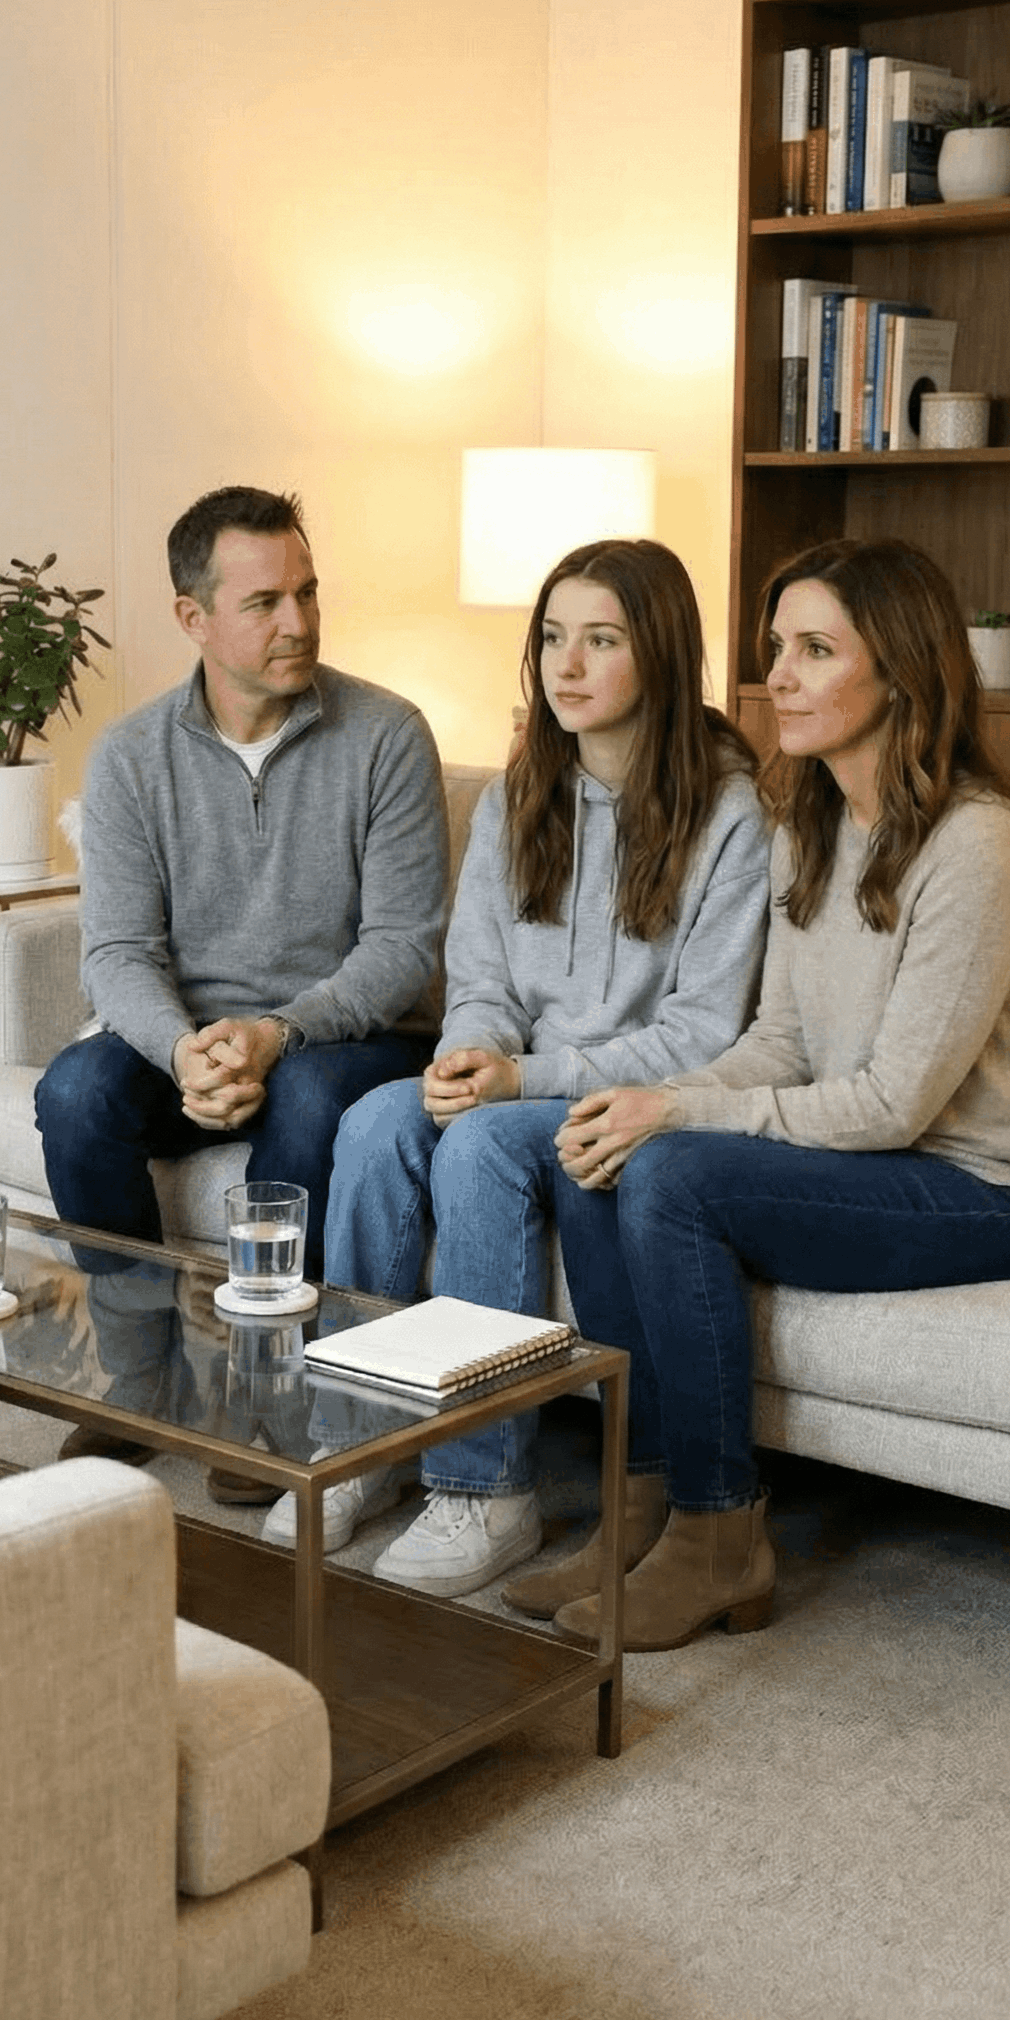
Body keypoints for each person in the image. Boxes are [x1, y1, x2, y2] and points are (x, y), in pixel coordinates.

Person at [543, 536, 1010, 1651]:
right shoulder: (813, 824)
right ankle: (641, 1496)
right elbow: (781, 1044)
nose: (775, 676)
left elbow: (892, 1105)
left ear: (899, 671)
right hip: (891, 1166)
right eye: (774, 648)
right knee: (607, 1152)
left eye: (813, 650)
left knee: (676, 1175)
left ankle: (718, 1533)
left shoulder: (976, 846)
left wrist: (678, 1115)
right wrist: (645, 1098)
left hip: (1002, 1195)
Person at [300, 539, 772, 1588]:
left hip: (621, 1095)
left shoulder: (730, 816)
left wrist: (519, 1081)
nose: (568, 664)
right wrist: (471, 1046)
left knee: (479, 1149)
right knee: (373, 1124)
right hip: (515, 1073)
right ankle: (360, 1440)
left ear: (657, 652)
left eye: (600, 640)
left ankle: (485, 1490)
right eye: (554, 637)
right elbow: (479, 975)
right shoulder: (523, 793)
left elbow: (703, 1030)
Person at [34, 484, 449, 1285]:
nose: (298, 622)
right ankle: (144, 1373)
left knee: (306, 1099)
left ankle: (273, 1375)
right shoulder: (129, 756)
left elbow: (402, 947)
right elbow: (118, 952)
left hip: (344, 1041)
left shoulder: (387, 735)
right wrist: (183, 1051)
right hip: (191, 1045)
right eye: (264, 603)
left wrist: (277, 1033)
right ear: (193, 618)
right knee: (76, 1094)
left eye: (307, 592)